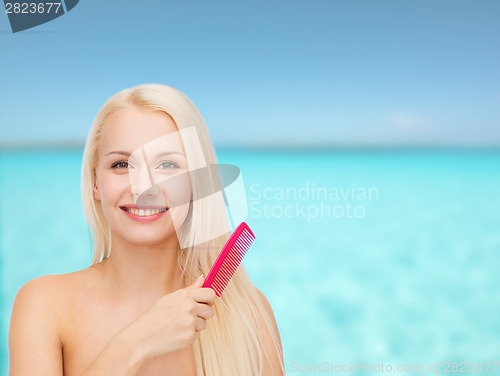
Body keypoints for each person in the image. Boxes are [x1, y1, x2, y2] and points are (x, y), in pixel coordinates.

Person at [8, 84, 284, 375]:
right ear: (95, 182)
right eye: (122, 164)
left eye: (166, 164)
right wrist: (137, 342)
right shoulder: (44, 306)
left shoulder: (250, 314)